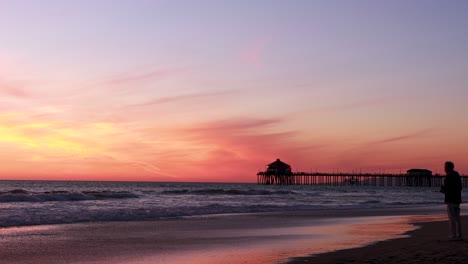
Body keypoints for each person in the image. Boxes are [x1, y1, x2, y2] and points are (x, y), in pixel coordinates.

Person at [440, 161, 463, 240]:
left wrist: (442, 189)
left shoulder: (448, 177)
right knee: (457, 218)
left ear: (448, 168)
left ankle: (453, 235)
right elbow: (460, 187)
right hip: (458, 199)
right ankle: (460, 235)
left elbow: (447, 189)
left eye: (445, 167)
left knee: (451, 218)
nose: (444, 169)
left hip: (450, 200)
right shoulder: (457, 175)